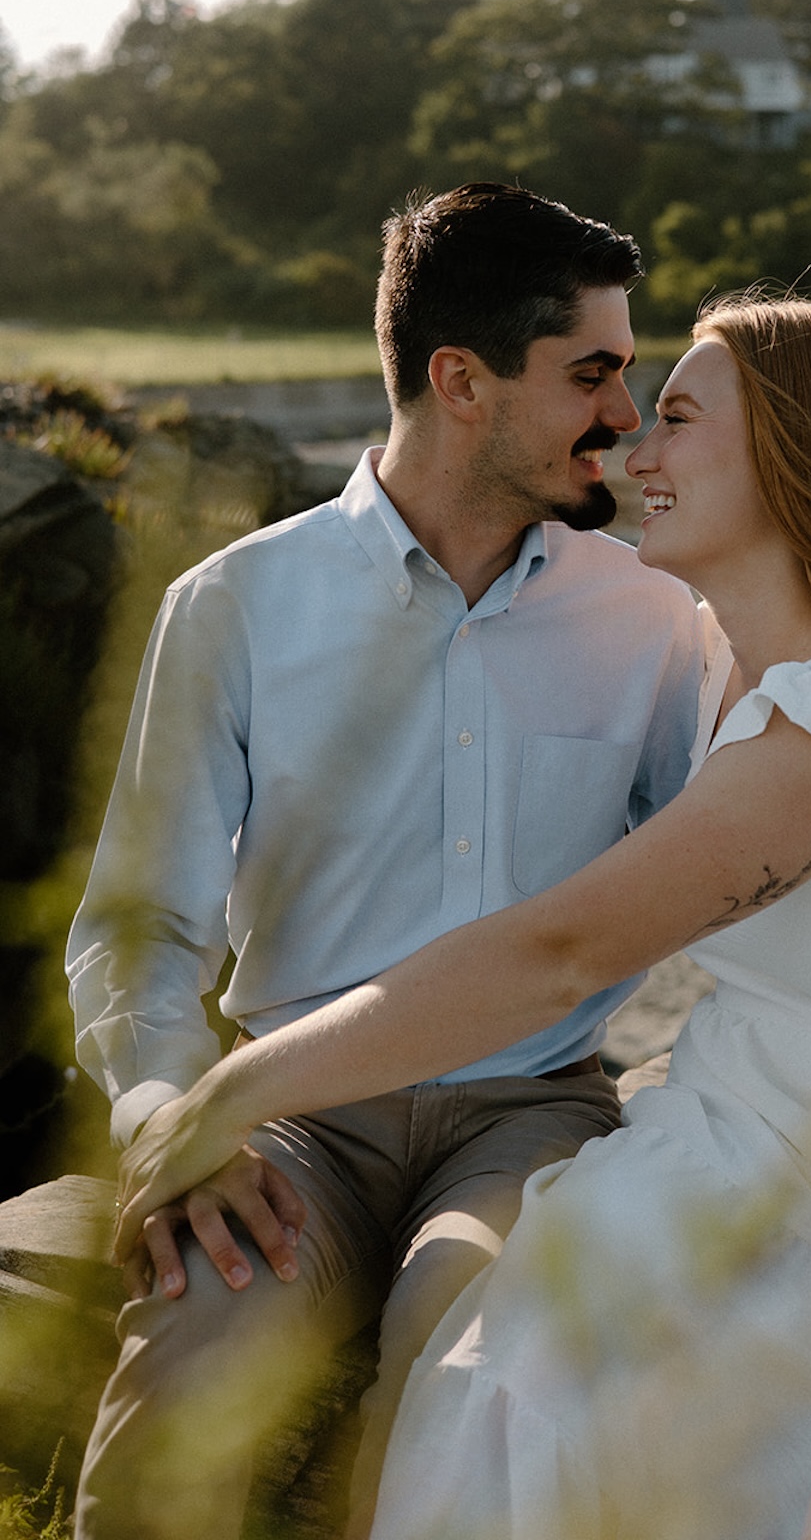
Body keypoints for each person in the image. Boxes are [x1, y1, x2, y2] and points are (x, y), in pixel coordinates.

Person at [115, 294, 811, 1540]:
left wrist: (223, 1094)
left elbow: (558, 952)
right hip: (749, 1147)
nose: (636, 451)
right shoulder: (739, 663)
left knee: (525, 1368)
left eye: (677, 419)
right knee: (511, 1343)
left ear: (796, 452)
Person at [66, 183, 711, 1540]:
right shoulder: (237, 606)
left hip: (533, 1116)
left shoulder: (653, 620)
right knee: (194, 1353)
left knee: (462, 1333)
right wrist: (163, 1118)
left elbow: (755, 859)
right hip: (288, 1114)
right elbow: (141, 925)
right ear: (461, 380)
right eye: (593, 375)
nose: (627, 418)